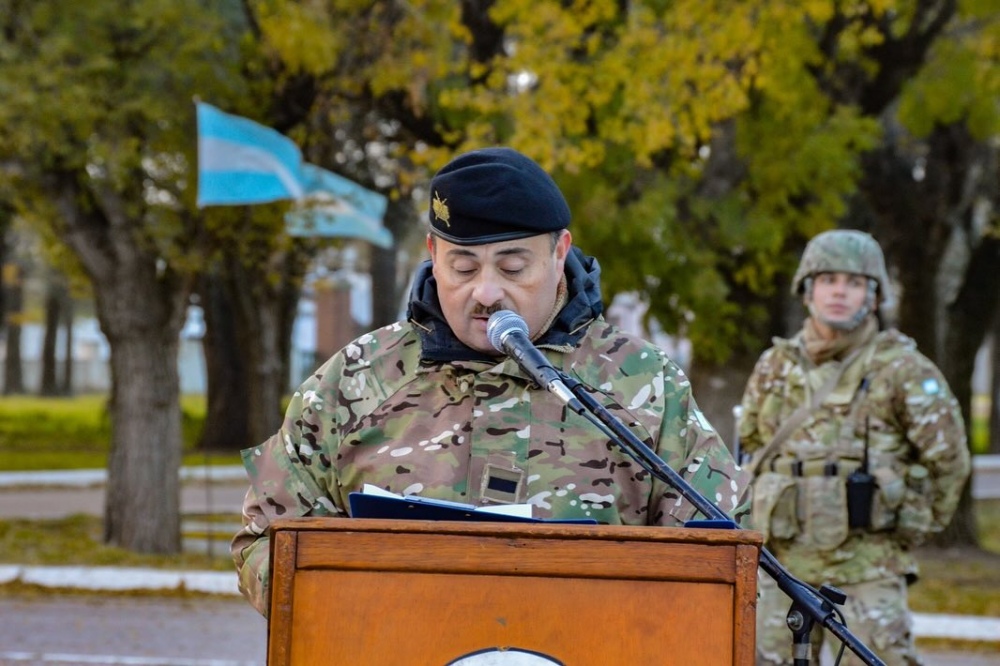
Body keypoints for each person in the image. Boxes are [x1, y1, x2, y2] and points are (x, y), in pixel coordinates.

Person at [231, 146, 752, 617]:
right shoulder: (355, 380)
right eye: (462, 267)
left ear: (558, 252)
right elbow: (266, 541)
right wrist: (358, 609)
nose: (486, 293)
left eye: (512, 267)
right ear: (433, 255)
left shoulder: (643, 383)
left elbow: (718, 551)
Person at [738, 229, 971, 665]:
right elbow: (752, 442)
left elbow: (948, 460)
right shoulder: (775, 367)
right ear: (807, 291)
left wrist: (908, 522)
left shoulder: (901, 369)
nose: (840, 292)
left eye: (854, 282)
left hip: (868, 565)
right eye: (828, 280)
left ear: (875, 295)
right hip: (783, 563)